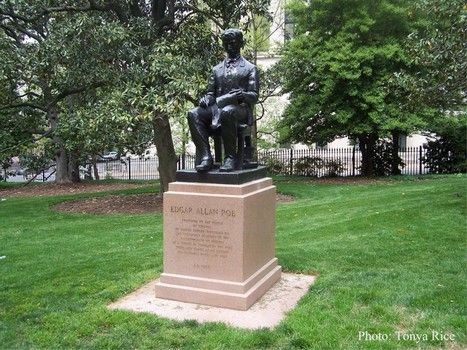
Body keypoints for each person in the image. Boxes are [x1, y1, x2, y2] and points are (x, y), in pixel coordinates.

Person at [187, 28, 259, 172]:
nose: (229, 47)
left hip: (241, 109)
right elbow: (210, 93)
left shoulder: (250, 68)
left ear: (240, 44)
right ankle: (206, 156)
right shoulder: (216, 69)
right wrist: (206, 99)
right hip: (218, 108)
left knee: (228, 112)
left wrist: (242, 94)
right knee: (193, 113)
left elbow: (254, 96)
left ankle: (230, 158)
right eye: (226, 44)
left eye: (232, 43)